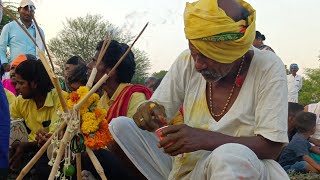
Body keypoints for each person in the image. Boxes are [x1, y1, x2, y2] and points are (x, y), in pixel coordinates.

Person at [107, 0, 289, 179]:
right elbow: (159, 107)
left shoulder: (267, 66)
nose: (198, 65)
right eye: (194, 53)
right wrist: (150, 112)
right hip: (188, 169)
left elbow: (272, 148)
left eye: (207, 56)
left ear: (233, 51)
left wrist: (202, 139)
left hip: (243, 168)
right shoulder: (187, 61)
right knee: (121, 127)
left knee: (229, 156)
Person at [82, 40, 153, 179]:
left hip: (135, 170)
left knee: (95, 155)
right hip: (111, 165)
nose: (88, 65)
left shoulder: (135, 97)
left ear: (111, 71)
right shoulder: (102, 99)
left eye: (94, 61)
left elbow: (136, 149)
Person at [9, 57, 60, 171]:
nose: (17, 87)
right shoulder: (21, 100)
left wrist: (27, 146)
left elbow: (53, 140)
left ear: (34, 83)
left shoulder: (61, 100)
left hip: (52, 154)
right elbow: (10, 122)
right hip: (27, 149)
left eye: (21, 83)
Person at [0, 0, 45, 79]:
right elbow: (1, 47)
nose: (28, 12)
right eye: (25, 9)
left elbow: (42, 53)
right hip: (14, 69)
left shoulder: (39, 31)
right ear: (19, 10)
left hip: (33, 71)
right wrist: (4, 63)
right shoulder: (9, 27)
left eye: (31, 10)